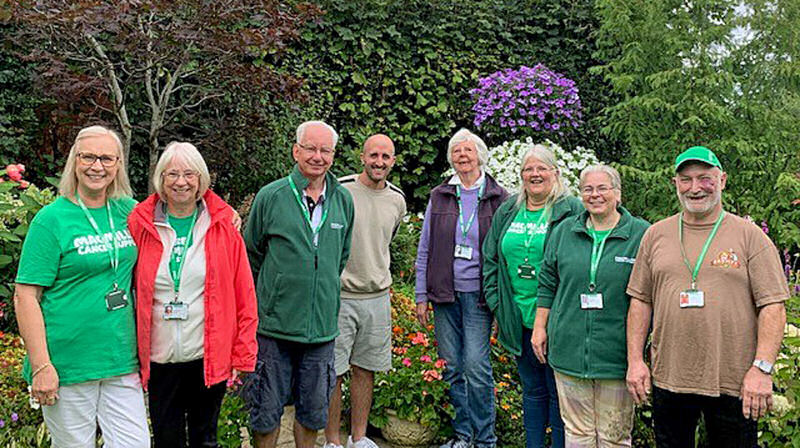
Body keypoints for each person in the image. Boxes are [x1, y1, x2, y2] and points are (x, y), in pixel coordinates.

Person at [626, 146, 789, 447]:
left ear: (722, 180)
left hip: (734, 381)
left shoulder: (750, 236)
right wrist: (635, 361)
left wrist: (761, 369)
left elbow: (773, 307)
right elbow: (640, 301)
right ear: (675, 184)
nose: (695, 187)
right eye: (685, 179)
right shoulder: (656, 235)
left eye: (704, 178)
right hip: (670, 378)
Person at [13, 125, 149, 447]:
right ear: (75, 160)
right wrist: (42, 366)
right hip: (68, 363)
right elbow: (25, 296)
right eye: (88, 157)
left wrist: (222, 212)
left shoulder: (129, 211)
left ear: (118, 164)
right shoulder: (52, 220)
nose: (96, 166)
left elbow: (178, 211)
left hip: (120, 359)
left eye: (106, 158)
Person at [128, 141, 258, 447]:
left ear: (201, 179)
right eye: (172, 174)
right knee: (166, 439)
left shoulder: (223, 226)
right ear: (160, 178)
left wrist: (243, 351)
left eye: (189, 174)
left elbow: (244, 293)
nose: (181, 182)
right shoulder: (140, 224)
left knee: (205, 438)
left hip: (207, 354)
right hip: (159, 356)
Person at [244, 120, 355, 448]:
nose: (317, 156)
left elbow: (339, 257)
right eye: (310, 148)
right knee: (265, 415)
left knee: (312, 415)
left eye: (325, 150)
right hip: (274, 330)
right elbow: (252, 254)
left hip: (320, 331)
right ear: (296, 151)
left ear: (333, 155)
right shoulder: (272, 196)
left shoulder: (343, 200)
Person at [530, 165, 649, 447]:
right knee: (577, 433)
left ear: (617, 193)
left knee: (614, 436)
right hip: (569, 350)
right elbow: (547, 281)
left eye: (602, 188)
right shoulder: (564, 231)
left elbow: (649, 293)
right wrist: (539, 327)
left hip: (616, 355)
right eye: (588, 189)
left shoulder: (641, 234)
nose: (595, 195)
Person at [483, 145, 581, 448]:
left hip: (557, 319)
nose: (535, 174)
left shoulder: (571, 210)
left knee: (559, 394)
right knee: (532, 391)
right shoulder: (508, 210)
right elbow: (490, 259)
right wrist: (499, 305)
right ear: (521, 175)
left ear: (556, 173)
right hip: (518, 316)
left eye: (542, 168)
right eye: (528, 169)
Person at [415, 128, 508, 448]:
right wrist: (421, 295)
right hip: (444, 294)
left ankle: (485, 439)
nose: (462, 155)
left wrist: (502, 302)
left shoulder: (498, 197)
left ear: (480, 155)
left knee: (476, 367)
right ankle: (463, 435)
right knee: (452, 367)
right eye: (456, 150)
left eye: (468, 150)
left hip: (479, 297)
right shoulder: (440, 195)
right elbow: (425, 248)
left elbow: (505, 254)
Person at [323, 134, 407, 448]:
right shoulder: (341, 190)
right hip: (341, 296)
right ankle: (332, 440)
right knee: (333, 371)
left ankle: (358, 437)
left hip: (376, 297)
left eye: (385, 157)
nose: (379, 162)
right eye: (373, 155)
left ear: (393, 161)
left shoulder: (397, 199)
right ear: (362, 157)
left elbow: (386, 240)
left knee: (365, 370)